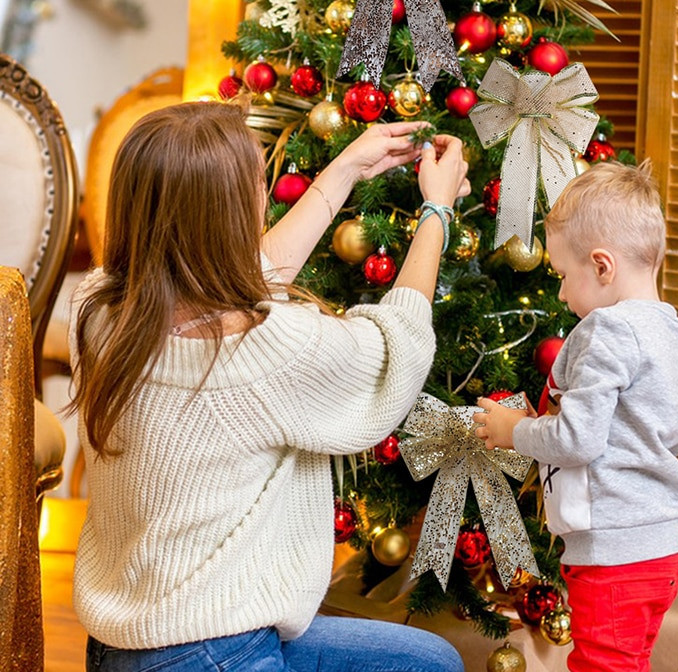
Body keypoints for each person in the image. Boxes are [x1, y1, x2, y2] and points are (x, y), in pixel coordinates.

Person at [67, 100, 470, 672]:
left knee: (428, 662)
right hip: (213, 652)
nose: (267, 191)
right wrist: (437, 210)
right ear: (228, 214)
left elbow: (238, 274)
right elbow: (394, 351)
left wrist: (347, 168)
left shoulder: (101, 306)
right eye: (259, 182)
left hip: (124, 646)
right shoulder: (265, 348)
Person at [473, 160, 678, 672]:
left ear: (601, 266)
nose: (559, 292)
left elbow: (577, 441)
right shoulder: (667, 327)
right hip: (660, 548)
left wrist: (517, 432)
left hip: (614, 552)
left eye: (561, 275)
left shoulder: (608, 330)